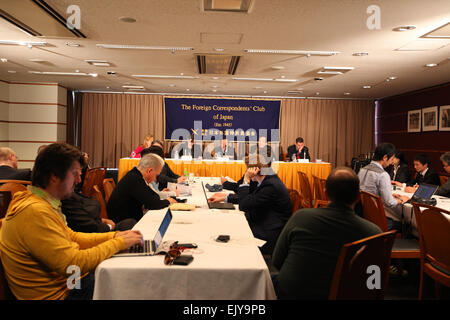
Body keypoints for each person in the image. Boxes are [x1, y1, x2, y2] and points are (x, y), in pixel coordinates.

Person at [0, 143, 143, 300]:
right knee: (130, 281)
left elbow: (72, 237)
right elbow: (72, 264)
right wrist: (119, 243)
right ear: (54, 176)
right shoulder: (34, 211)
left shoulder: (41, 202)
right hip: (61, 294)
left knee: (123, 270)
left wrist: (115, 236)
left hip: (68, 283)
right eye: (75, 174)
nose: (79, 180)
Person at [272, 167, 382, 300]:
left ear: (325, 194)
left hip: (293, 294)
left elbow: (277, 260)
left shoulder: (301, 217)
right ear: (359, 197)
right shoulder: (373, 233)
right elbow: (374, 283)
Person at [235, 155, 292, 255]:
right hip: (265, 222)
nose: (246, 172)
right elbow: (251, 199)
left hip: (269, 233)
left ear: (255, 170)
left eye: (247, 169)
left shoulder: (270, 185)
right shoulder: (267, 179)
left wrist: (246, 179)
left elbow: (244, 205)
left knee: (235, 235)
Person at [106, 153, 177, 223]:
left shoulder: (136, 175)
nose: (155, 179)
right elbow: (152, 204)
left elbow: (154, 196)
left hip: (130, 218)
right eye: (156, 175)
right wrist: (168, 201)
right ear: (149, 171)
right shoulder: (135, 179)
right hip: (124, 223)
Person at [358, 143, 409, 231]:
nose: (391, 163)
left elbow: (370, 192)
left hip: (363, 216)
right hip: (377, 221)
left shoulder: (362, 170)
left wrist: (390, 196)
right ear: (385, 157)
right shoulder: (382, 174)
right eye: (391, 159)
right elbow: (389, 203)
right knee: (406, 225)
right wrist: (402, 199)